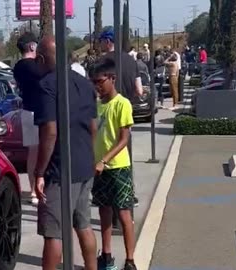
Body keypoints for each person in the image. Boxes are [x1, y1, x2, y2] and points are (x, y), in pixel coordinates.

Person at [34, 36, 97, 270]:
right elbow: (93, 127)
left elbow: (50, 132)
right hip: (84, 165)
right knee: (84, 224)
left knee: (54, 233)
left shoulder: (47, 86)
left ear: (41, 58)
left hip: (60, 171)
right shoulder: (85, 83)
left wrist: (40, 172)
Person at [90, 58, 136, 270]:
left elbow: (124, 139)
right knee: (103, 212)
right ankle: (106, 255)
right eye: (94, 82)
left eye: (100, 81)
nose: (97, 86)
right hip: (99, 169)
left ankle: (130, 260)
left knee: (124, 214)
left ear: (112, 78)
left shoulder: (122, 104)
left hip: (118, 167)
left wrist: (104, 160)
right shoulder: (98, 105)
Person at [99, 29, 141, 207]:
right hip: (127, 111)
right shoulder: (132, 60)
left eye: (101, 40)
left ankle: (111, 196)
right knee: (125, 153)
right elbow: (139, 89)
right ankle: (128, 192)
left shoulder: (104, 61)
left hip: (108, 110)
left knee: (109, 152)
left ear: (108, 41)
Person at [13, 32, 44, 205]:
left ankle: (33, 190)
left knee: (32, 152)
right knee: (42, 150)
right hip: (39, 112)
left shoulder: (17, 67)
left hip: (27, 110)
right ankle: (39, 188)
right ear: (32, 46)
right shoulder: (35, 66)